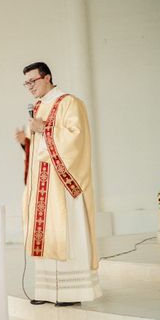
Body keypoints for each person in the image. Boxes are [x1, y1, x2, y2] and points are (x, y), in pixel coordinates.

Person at [18, 62, 102, 306]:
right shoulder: (38, 107)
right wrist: (26, 141)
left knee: (66, 231)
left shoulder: (70, 103)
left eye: (33, 81)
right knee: (44, 233)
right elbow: (39, 149)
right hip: (42, 183)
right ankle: (46, 291)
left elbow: (78, 139)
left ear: (48, 77)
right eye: (26, 83)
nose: (30, 87)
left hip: (63, 184)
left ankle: (70, 293)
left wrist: (44, 129)